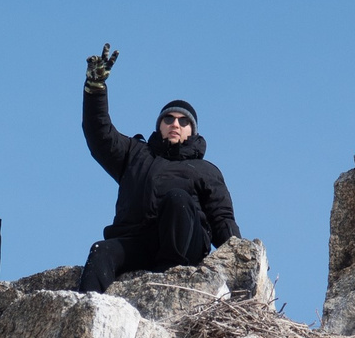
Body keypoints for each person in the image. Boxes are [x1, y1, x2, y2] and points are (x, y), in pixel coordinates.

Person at [76, 43, 239, 292]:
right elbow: (99, 134)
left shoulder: (206, 170)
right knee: (101, 250)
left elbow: (222, 219)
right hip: (137, 240)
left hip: (185, 247)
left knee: (177, 199)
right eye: (169, 118)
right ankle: (87, 311)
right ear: (159, 125)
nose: (175, 123)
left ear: (192, 131)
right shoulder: (135, 154)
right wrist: (95, 90)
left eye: (184, 121)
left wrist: (242, 260)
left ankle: (169, 277)